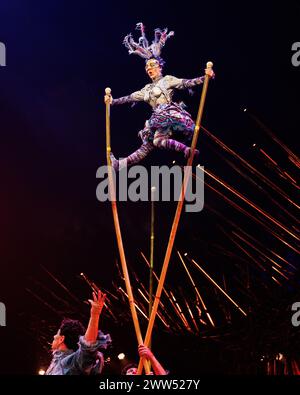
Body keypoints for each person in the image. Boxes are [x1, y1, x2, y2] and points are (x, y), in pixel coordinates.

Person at [105, 23, 215, 171]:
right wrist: (113, 101)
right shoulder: (146, 89)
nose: (150, 69)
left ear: (160, 67)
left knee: (157, 141)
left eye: (153, 66)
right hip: (156, 118)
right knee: (147, 146)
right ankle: (120, 164)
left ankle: (186, 150)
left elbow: (186, 83)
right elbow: (129, 98)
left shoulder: (167, 80)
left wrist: (204, 77)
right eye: (147, 68)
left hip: (168, 113)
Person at [45, 290, 112, 375]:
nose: (54, 336)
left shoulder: (71, 362)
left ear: (61, 339)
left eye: (57, 334)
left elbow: (87, 348)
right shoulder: (56, 362)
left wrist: (95, 315)